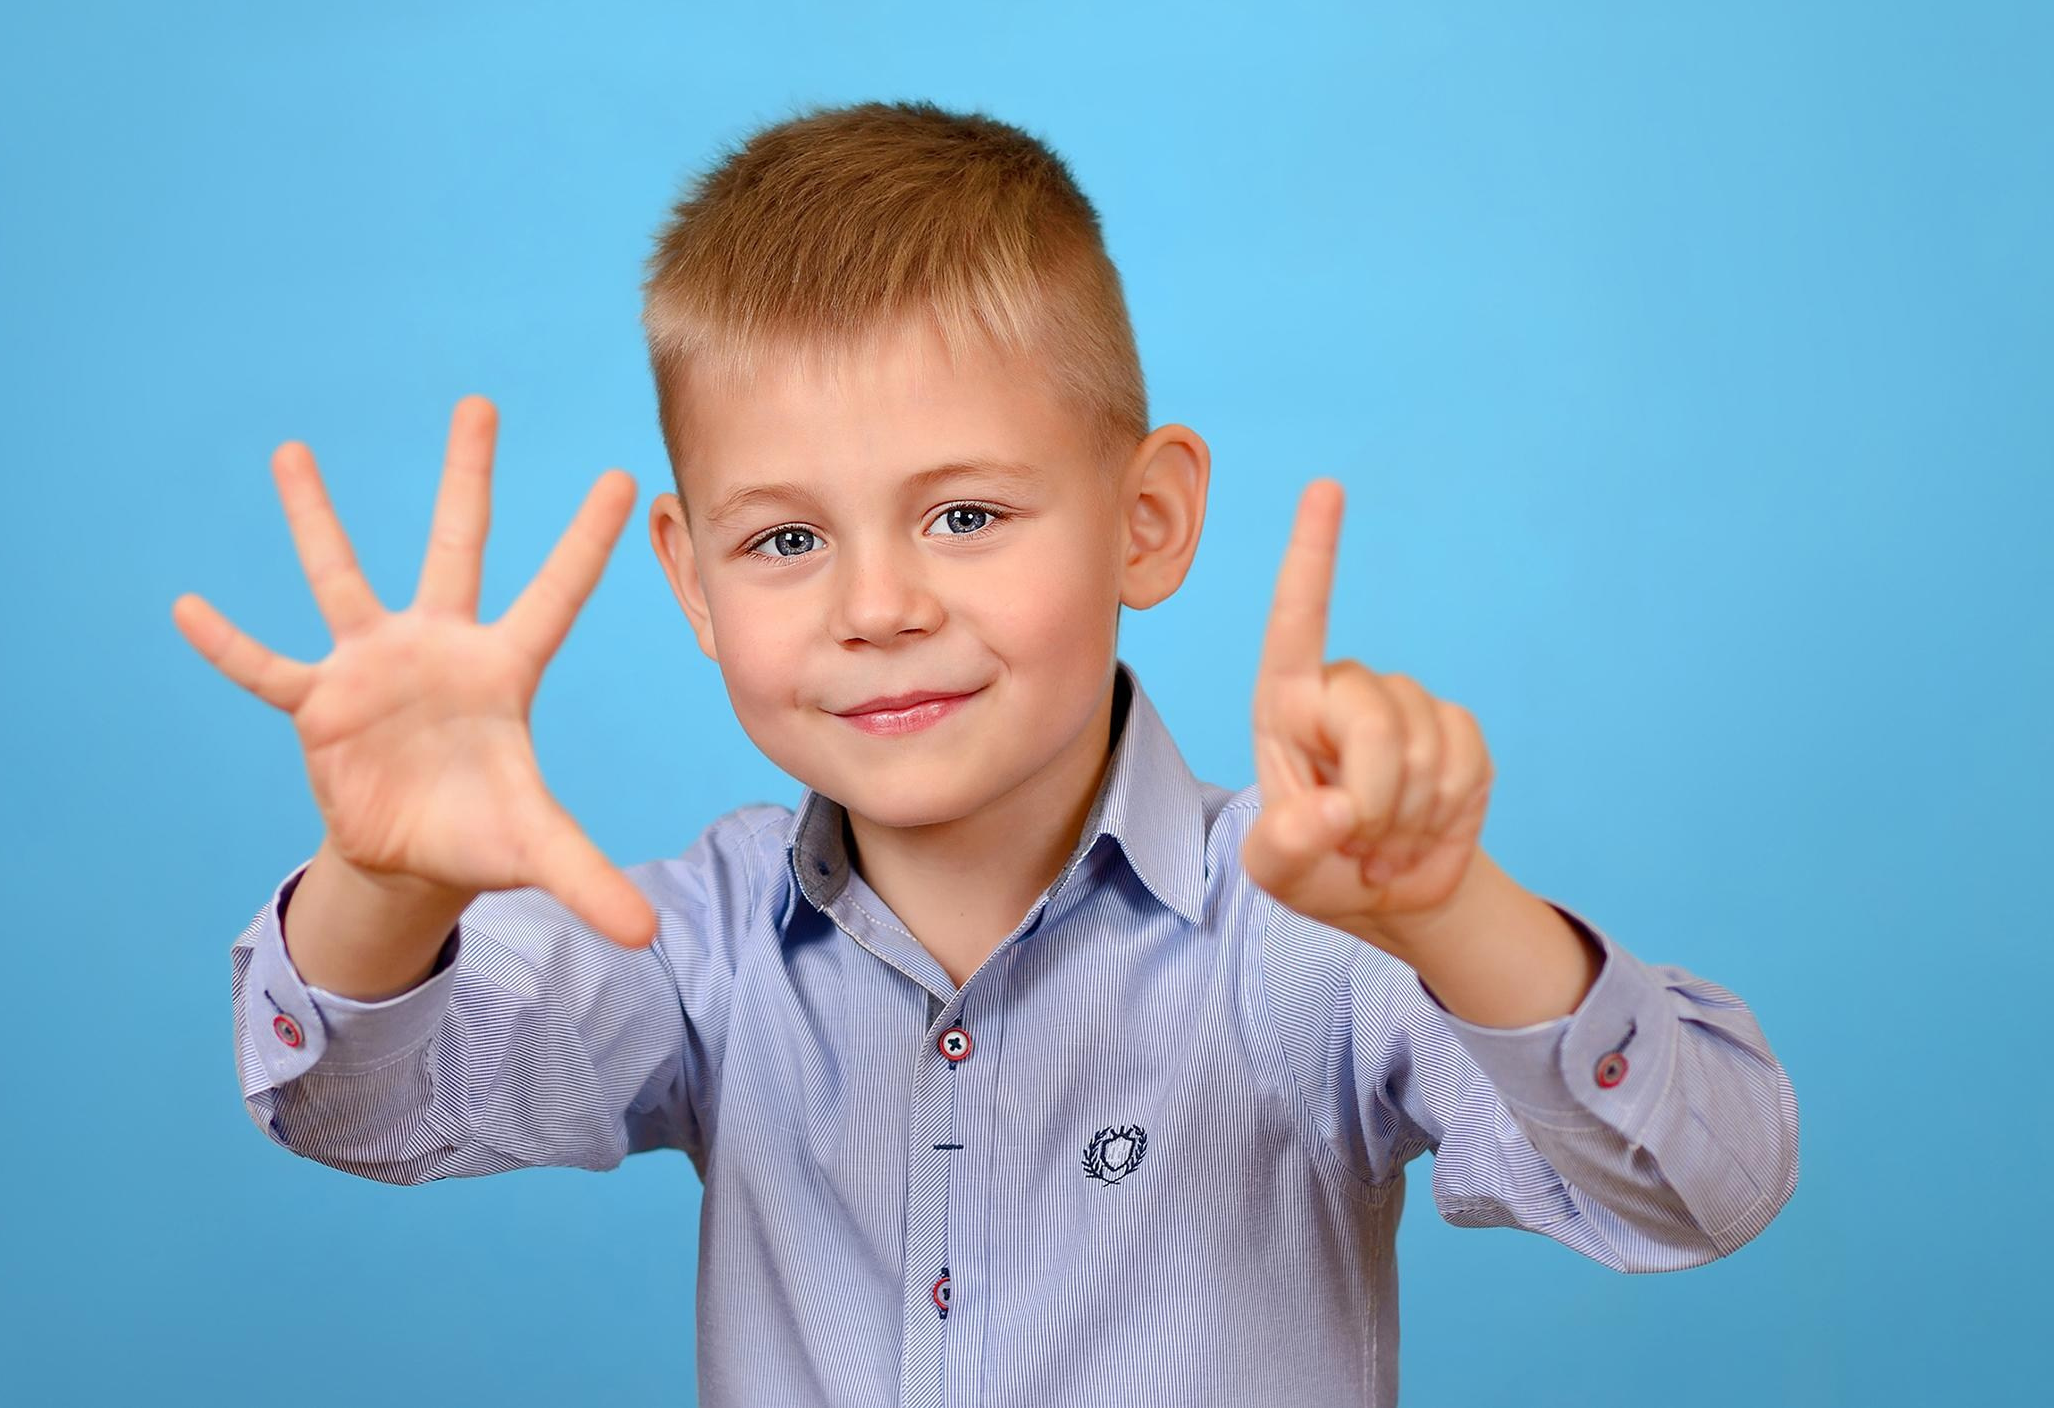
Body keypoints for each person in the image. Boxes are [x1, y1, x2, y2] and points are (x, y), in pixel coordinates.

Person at [172, 100, 1798, 1408]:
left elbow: (1699, 1184)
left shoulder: (1312, 929)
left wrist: (1448, 913)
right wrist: (383, 883)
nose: (876, 606)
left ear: (1146, 520)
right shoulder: (693, 945)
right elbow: (351, 1106)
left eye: (964, 514)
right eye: (785, 538)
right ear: (689, 578)